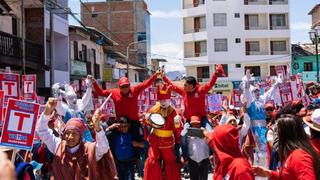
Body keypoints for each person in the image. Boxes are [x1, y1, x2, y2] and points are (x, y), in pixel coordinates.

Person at [36, 98, 118, 179]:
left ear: (80, 135)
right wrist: (46, 113)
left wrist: (97, 127)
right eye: (67, 133)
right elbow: (42, 130)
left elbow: (103, 147)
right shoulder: (58, 146)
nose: (70, 137)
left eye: (74, 134)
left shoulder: (90, 150)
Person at [163, 64, 225, 159]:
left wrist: (216, 72)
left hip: (202, 118)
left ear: (192, 86)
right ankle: (186, 157)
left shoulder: (201, 90)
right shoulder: (184, 92)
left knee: (211, 132)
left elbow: (211, 83)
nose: (183, 86)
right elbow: (172, 86)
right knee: (183, 135)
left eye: (186, 85)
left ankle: (212, 154)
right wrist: (163, 77)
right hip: (189, 120)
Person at [91, 71, 161, 142]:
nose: (124, 88)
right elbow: (101, 92)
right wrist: (94, 82)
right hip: (120, 123)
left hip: (134, 123)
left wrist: (155, 75)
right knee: (110, 136)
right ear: (119, 87)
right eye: (122, 86)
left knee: (139, 139)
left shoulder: (135, 90)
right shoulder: (114, 92)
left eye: (126, 86)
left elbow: (146, 84)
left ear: (129, 85)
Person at [253, 114, 320, 180]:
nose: (275, 135)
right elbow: (290, 176)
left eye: (277, 131)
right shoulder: (294, 153)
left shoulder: (299, 156)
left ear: (284, 134)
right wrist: (269, 173)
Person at [144, 85, 182, 180]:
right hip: (155, 140)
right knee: (152, 160)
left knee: (170, 162)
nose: (163, 102)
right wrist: (146, 119)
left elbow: (177, 130)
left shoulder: (175, 112)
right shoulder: (153, 109)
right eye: (161, 100)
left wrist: (177, 125)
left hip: (167, 142)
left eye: (165, 100)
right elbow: (146, 123)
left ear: (169, 99)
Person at [52, 76, 94, 142]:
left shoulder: (79, 106)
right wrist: (57, 95)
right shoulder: (65, 109)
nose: (74, 100)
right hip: (72, 137)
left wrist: (89, 87)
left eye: (75, 97)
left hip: (85, 136)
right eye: (71, 98)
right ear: (66, 99)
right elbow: (58, 106)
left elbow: (86, 97)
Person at [186, 116, 210, 180]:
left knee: (203, 178)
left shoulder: (205, 131)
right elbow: (184, 143)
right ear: (190, 124)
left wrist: (205, 135)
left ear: (200, 123)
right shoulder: (187, 133)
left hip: (204, 159)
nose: (195, 125)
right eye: (193, 124)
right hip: (192, 159)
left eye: (197, 124)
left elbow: (211, 140)